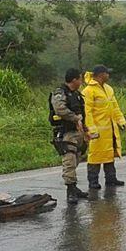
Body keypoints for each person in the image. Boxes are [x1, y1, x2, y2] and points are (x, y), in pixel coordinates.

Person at [82, 64, 126, 189]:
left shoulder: (108, 89)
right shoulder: (88, 91)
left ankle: (111, 179)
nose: (108, 75)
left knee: (109, 154)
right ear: (101, 75)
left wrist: (121, 121)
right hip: (97, 131)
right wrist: (91, 129)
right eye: (107, 73)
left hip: (110, 129)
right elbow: (87, 112)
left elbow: (115, 107)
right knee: (95, 155)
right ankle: (93, 181)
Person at [50, 69, 91, 203]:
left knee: (77, 158)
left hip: (78, 132)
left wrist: (85, 129)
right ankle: (70, 190)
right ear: (74, 80)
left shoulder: (77, 94)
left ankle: (74, 188)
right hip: (66, 132)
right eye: (79, 79)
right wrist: (74, 118)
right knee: (69, 161)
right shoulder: (60, 93)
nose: (81, 82)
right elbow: (60, 109)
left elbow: (81, 113)